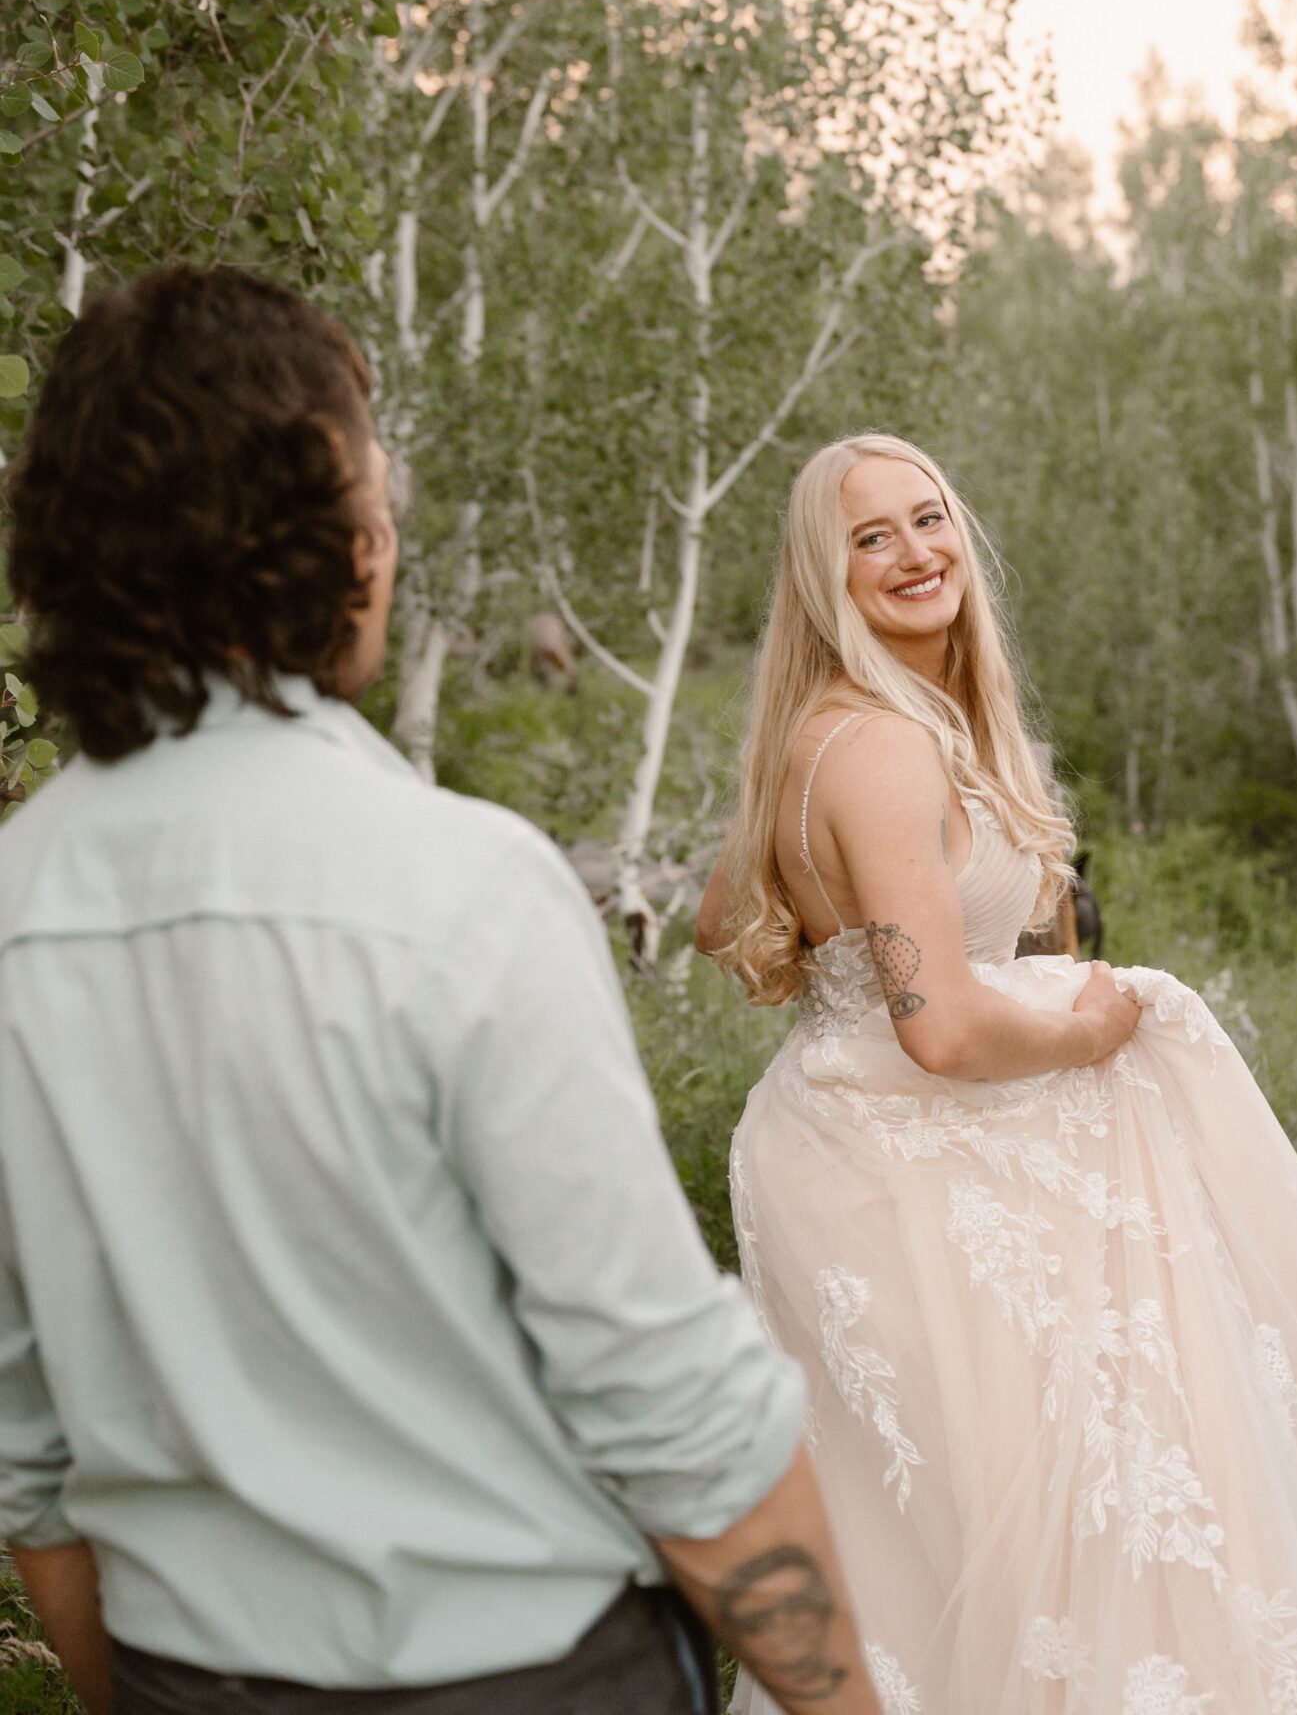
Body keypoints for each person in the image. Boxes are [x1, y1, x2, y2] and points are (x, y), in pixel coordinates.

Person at [0, 268, 882, 1715]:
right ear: (324, 544)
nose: (388, 540)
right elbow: (670, 1406)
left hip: (184, 1675)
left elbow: (27, 1449)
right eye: (374, 500)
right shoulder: (461, 889)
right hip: (524, 1673)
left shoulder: (16, 911)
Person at [697, 432, 1297, 1715]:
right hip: (903, 1167)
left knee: (982, 1543)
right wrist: (1091, 1026)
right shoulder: (878, 748)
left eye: (928, 520)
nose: (915, 553)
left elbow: (724, 913)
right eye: (872, 537)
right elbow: (942, 1031)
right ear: (825, 574)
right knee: (1050, 1530)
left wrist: (842, 936)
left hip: (853, 1135)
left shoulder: (859, 731)